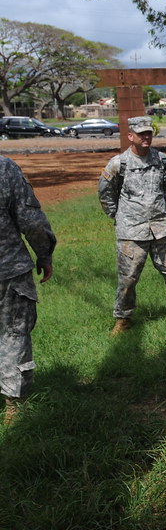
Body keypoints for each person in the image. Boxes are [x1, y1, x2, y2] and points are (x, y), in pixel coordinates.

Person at [98, 116, 166, 333]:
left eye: (149, 133)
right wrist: (117, 216)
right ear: (131, 136)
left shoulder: (162, 160)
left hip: (161, 227)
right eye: (141, 134)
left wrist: (162, 210)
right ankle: (123, 318)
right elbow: (105, 192)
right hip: (131, 230)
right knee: (128, 278)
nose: (146, 137)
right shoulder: (119, 163)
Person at [0, 155, 56, 424]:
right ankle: (14, 405)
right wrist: (44, 253)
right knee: (13, 334)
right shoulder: (4, 168)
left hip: (8, 268)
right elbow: (30, 218)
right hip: (8, 270)